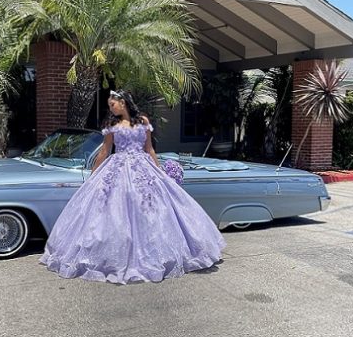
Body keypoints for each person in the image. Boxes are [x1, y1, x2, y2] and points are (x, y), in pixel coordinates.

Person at [40, 89, 226, 284]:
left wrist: (159, 171)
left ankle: (157, 254)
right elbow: (105, 150)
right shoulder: (112, 125)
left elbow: (150, 148)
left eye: (113, 103)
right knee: (115, 211)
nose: (111, 107)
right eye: (110, 105)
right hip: (117, 168)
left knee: (151, 210)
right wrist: (93, 176)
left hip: (143, 168)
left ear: (124, 102)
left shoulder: (143, 121)